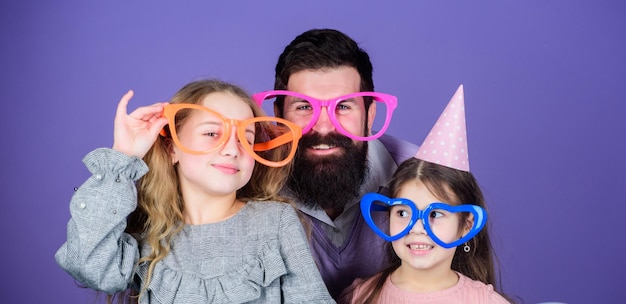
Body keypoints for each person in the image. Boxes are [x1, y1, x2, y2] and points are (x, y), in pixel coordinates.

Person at [55, 79, 335, 303]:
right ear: (172, 147)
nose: (231, 149)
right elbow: (87, 263)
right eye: (212, 133)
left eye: (245, 138)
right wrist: (122, 157)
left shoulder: (276, 221)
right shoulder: (147, 235)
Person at [252, 28, 419, 299]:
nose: (324, 126)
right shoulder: (246, 177)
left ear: (370, 114)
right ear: (278, 114)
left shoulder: (422, 176)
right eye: (304, 107)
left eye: (343, 106)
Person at [339, 85, 511, 303]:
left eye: (436, 214)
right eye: (403, 213)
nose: (417, 228)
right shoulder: (360, 297)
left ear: (467, 226)